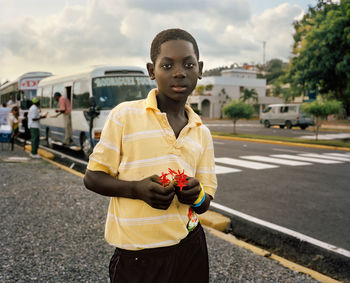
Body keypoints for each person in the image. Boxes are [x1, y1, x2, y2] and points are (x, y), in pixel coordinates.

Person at [83, 28, 217, 283]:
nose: (179, 72)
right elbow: (92, 178)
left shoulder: (201, 132)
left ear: (199, 69)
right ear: (151, 70)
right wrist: (137, 189)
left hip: (190, 248)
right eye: (167, 65)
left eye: (188, 64)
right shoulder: (125, 116)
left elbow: (204, 203)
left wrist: (195, 194)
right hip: (138, 257)